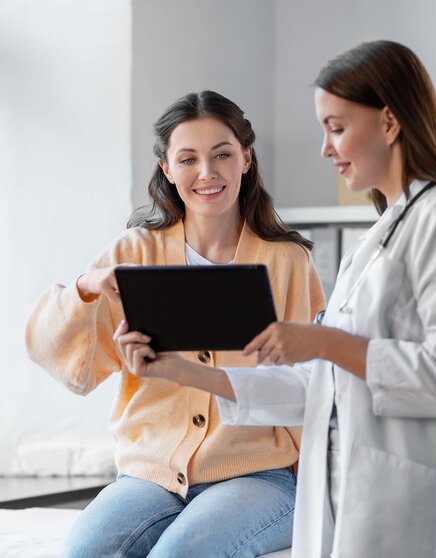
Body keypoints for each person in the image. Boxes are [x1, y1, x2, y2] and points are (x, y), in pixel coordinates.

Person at [115, 41, 436, 558]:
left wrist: (324, 342)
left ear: (390, 123)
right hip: (362, 492)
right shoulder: (383, 235)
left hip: (423, 504)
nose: (326, 147)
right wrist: (182, 371)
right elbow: (318, 389)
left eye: (338, 127)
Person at [25, 90, 325, 557]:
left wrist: (315, 488)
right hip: (151, 473)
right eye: (188, 159)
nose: (207, 173)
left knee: (179, 553)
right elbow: (53, 351)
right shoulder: (134, 252)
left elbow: (312, 380)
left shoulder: (287, 261)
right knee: (83, 552)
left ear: (246, 159)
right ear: (167, 168)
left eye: (222, 154)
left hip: (258, 473)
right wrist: (86, 285)